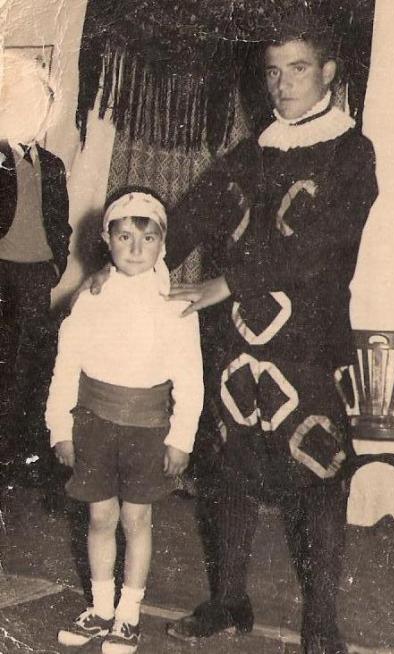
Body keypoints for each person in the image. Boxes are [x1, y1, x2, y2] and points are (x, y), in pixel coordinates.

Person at [161, 13, 378, 654]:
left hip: (306, 344)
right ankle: (229, 601)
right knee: (228, 471)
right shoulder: (249, 151)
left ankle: (322, 624)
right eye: (273, 72)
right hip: (237, 345)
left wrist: (228, 282)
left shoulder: (352, 152)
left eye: (298, 69)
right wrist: (130, 269)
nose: (282, 84)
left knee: (318, 473)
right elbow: (188, 218)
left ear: (329, 73)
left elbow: (321, 247)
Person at [45, 190, 204, 653]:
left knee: (137, 520)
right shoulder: (90, 297)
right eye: (124, 237)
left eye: (148, 238)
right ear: (106, 238)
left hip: (148, 430)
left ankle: (128, 616)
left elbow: (190, 380)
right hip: (94, 424)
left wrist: (181, 439)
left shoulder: (175, 304)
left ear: (163, 243)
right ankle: (101, 609)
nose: (136, 248)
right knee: (100, 517)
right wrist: (60, 428)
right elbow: (65, 367)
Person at [0, 51, 71, 462]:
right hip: (2, 273)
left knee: (26, 369)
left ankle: (12, 455)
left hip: (36, 276)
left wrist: (57, 265)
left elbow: (61, 223)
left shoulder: (54, 165)